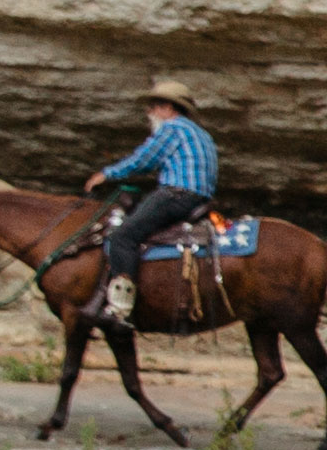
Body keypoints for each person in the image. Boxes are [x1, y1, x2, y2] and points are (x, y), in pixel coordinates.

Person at [76, 82, 221, 328]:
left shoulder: (172, 129)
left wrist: (107, 174)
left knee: (123, 236)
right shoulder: (200, 133)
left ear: (167, 107)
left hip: (176, 194)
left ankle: (121, 307)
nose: (149, 112)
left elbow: (144, 159)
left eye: (153, 106)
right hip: (199, 198)